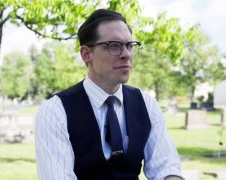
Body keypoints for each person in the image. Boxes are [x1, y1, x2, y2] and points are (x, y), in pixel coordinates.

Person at [35, 9, 183, 180]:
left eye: (129, 45)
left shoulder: (146, 104)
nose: (126, 55)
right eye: (114, 46)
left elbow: (166, 167)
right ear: (86, 54)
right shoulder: (55, 112)